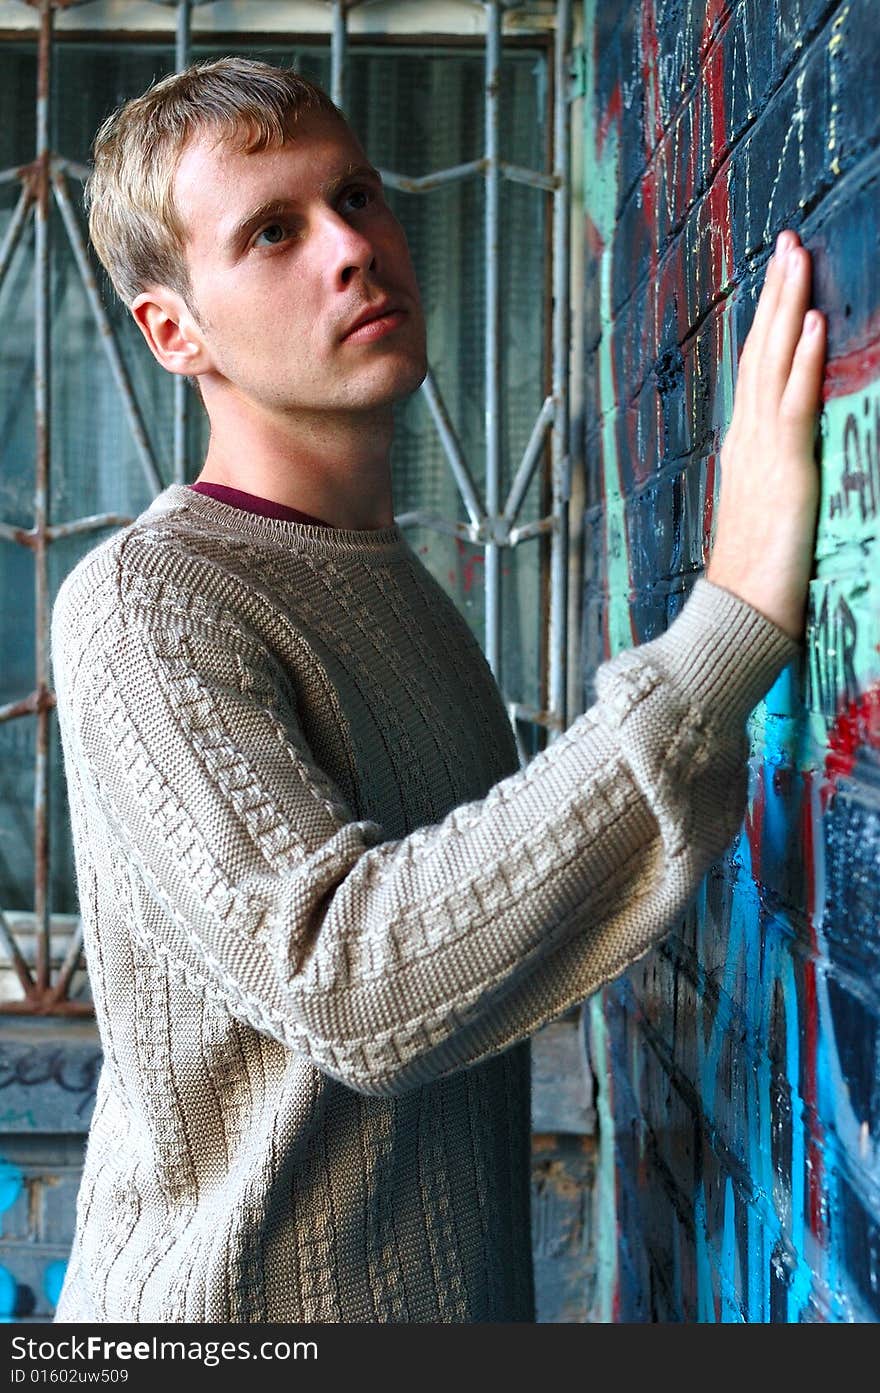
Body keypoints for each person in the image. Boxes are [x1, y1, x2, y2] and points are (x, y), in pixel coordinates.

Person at [49, 56, 826, 1324]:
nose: (350, 246)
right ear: (173, 329)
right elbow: (351, 984)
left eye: (356, 194)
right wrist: (725, 623)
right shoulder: (149, 602)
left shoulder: (395, 587)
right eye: (272, 232)